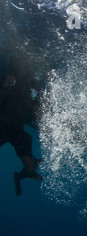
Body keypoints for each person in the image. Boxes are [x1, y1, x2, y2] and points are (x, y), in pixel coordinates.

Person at [1, 60, 43, 196]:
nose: (32, 78)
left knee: (30, 168)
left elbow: (36, 106)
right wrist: (6, 87)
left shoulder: (33, 91)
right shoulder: (13, 83)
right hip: (3, 125)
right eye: (30, 75)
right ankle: (34, 162)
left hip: (17, 130)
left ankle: (19, 176)